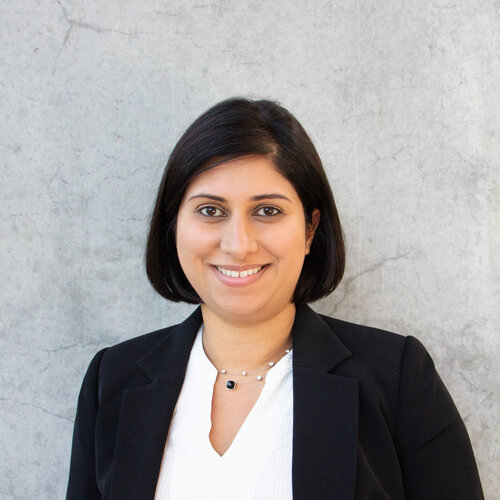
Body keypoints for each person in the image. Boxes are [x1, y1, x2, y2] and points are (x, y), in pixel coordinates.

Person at [66, 97, 484, 499]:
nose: (238, 244)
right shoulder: (114, 380)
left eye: (267, 211)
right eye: (210, 210)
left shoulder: (398, 378)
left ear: (309, 229)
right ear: (173, 225)